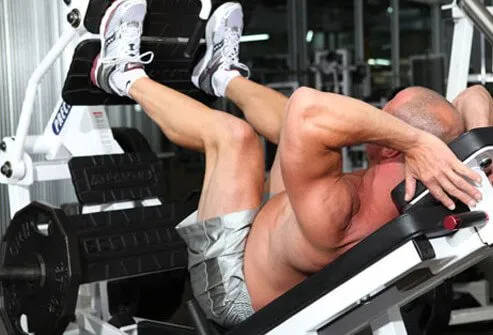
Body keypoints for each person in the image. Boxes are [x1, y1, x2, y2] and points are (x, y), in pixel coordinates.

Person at [90, 0, 490, 327]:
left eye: (385, 114)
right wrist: (469, 148)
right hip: (283, 234)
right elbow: (475, 95)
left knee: (235, 139)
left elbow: (308, 108)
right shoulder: (460, 181)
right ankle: (219, 76)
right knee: (289, 127)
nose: (376, 119)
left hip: (233, 285)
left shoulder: (345, 211)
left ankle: (119, 75)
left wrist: (412, 139)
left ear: (391, 151)